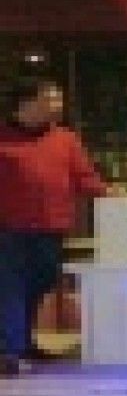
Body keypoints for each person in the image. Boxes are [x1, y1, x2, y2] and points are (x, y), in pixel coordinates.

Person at [0, 77, 106, 376]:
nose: (58, 106)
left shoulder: (65, 139)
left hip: (52, 228)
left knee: (39, 284)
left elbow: (84, 177)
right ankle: (9, 351)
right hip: (9, 229)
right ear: (25, 104)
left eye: (59, 99)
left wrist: (113, 195)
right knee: (10, 289)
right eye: (50, 99)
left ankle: (24, 343)